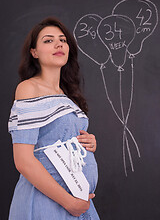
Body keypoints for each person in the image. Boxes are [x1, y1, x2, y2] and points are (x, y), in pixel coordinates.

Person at [8, 17, 100, 219]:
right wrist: (69, 203)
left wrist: (87, 142)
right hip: (48, 202)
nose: (59, 44)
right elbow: (23, 160)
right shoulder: (28, 88)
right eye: (48, 40)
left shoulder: (67, 95)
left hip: (78, 203)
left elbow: (58, 136)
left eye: (63, 40)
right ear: (34, 52)